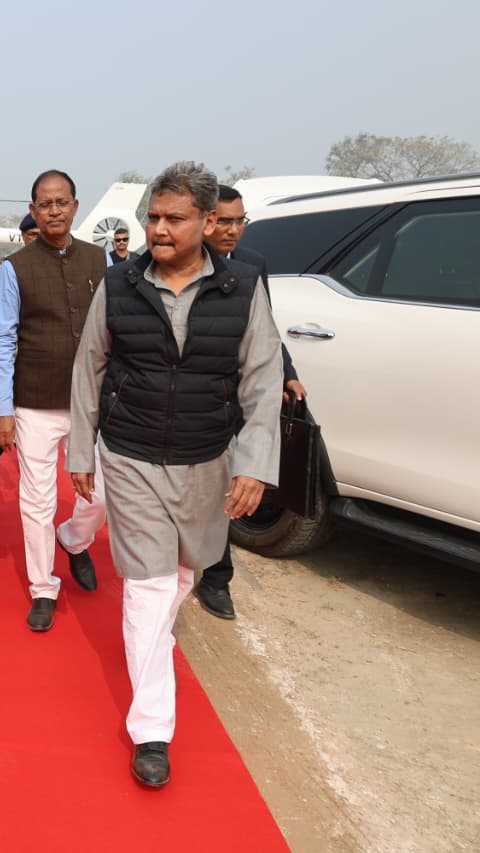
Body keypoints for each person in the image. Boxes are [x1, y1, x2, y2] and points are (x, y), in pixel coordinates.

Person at [68, 162, 282, 787]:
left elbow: (262, 378)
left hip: (206, 458)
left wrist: (254, 464)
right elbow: (90, 366)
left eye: (173, 219)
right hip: (130, 454)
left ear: (208, 221)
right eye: (153, 217)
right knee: (148, 586)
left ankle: (151, 645)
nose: (158, 229)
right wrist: (82, 449)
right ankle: (152, 729)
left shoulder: (244, 286)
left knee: (185, 573)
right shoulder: (119, 283)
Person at [0, 169, 108, 632]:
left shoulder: (100, 260)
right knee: (36, 500)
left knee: (102, 495)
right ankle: (43, 587)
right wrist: (2, 409)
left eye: (62, 202)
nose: (54, 210)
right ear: (33, 210)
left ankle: (74, 538)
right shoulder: (15, 268)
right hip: (35, 402)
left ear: (75, 206)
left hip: (92, 403)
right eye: (45, 203)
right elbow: (2, 341)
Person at [193, 184, 308, 620]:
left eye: (240, 221)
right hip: (196, 395)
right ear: (205, 221)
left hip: (240, 394)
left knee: (229, 484)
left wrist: (288, 372)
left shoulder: (252, 264)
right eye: (224, 221)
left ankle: (217, 578)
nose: (233, 230)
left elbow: (266, 329)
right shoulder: (179, 262)